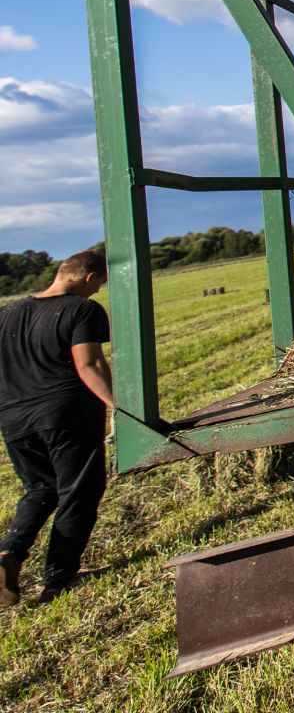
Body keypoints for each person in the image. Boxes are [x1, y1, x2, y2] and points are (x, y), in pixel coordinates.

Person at [0, 249, 113, 607]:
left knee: (40, 488)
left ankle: (8, 553)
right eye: (99, 285)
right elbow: (90, 364)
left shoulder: (7, 312)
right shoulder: (83, 310)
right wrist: (121, 408)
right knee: (79, 490)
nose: (96, 293)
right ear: (89, 277)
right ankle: (59, 579)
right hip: (66, 414)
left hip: (14, 419)